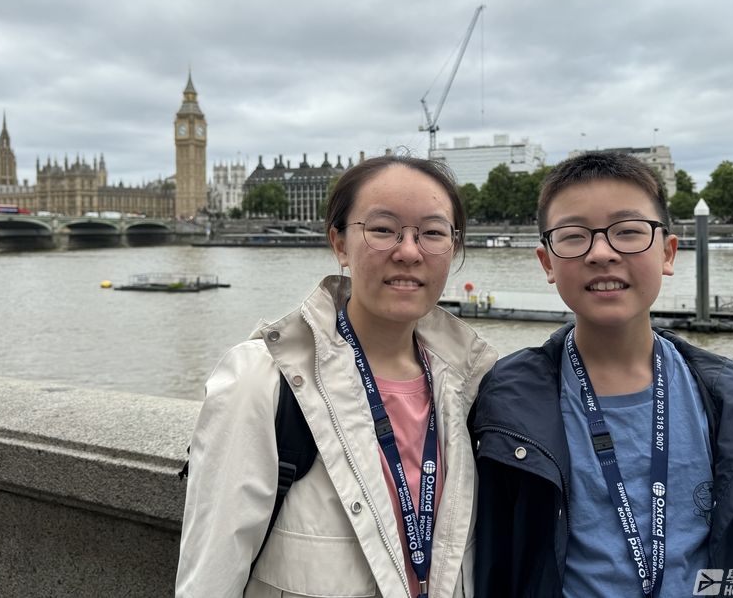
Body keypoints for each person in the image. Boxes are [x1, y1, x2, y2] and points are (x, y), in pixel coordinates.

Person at [471, 151, 733, 597]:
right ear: (547, 262)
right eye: (573, 236)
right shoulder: (508, 400)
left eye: (628, 231)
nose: (601, 253)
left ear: (668, 252)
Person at [176, 154, 497, 598]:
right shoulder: (263, 382)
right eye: (383, 229)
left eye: (433, 233)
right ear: (340, 244)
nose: (409, 251)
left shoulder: (476, 387)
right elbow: (209, 582)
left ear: (454, 248)